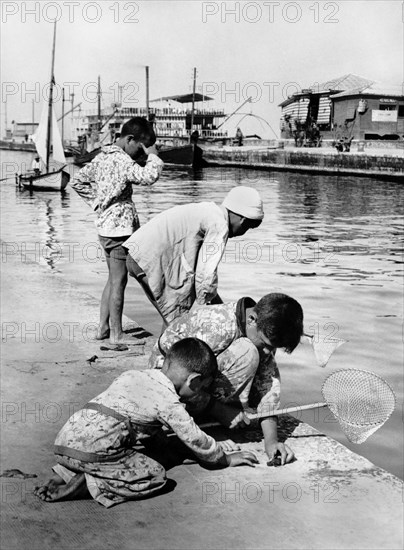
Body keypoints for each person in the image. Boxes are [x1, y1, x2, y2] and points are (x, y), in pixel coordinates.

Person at [34, 338, 258, 507]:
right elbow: (195, 438)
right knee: (154, 475)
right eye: (201, 387)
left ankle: (63, 473)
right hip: (93, 451)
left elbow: (142, 425)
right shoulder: (169, 401)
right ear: (194, 380)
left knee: (112, 445)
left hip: (64, 442)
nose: (199, 392)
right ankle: (90, 484)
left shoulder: (133, 375)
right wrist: (223, 458)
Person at [149, 293, 304, 465]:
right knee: (247, 352)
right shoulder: (216, 325)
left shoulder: (263, 329)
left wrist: (272, 441)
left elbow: (268, 386)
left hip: (200, 381)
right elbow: (182, 378)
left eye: (273, 348)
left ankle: (210, 414)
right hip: (168, 386)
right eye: (266, 345)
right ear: (252, 319)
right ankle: (201, 425)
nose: (268, 352)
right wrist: (217, 409)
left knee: (252, 355)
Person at [72, 117, 164, 347]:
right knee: (119, 281)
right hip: (119, 230)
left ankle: (103, 328)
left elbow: (77, 181)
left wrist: (98, 203)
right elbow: (148, 177)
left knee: (112, 279)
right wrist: (153, 155)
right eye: (139, 147)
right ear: (129, 139)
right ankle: (116, 334)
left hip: (105, 227)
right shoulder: (123, 161)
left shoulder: (103, 156)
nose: (139, 153)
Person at [124, 186, 264, 324]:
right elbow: (206, 275)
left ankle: (166, 344)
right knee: (177, 319)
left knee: (171, 314)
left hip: (137, 256)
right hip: (151, 263)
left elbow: (200, 271)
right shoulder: (219, 225)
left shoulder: (209, 210)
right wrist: (216, 310)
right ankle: (169, 344)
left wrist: (216, 303)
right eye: (247, 228)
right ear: (243, 220)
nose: (243, 232)